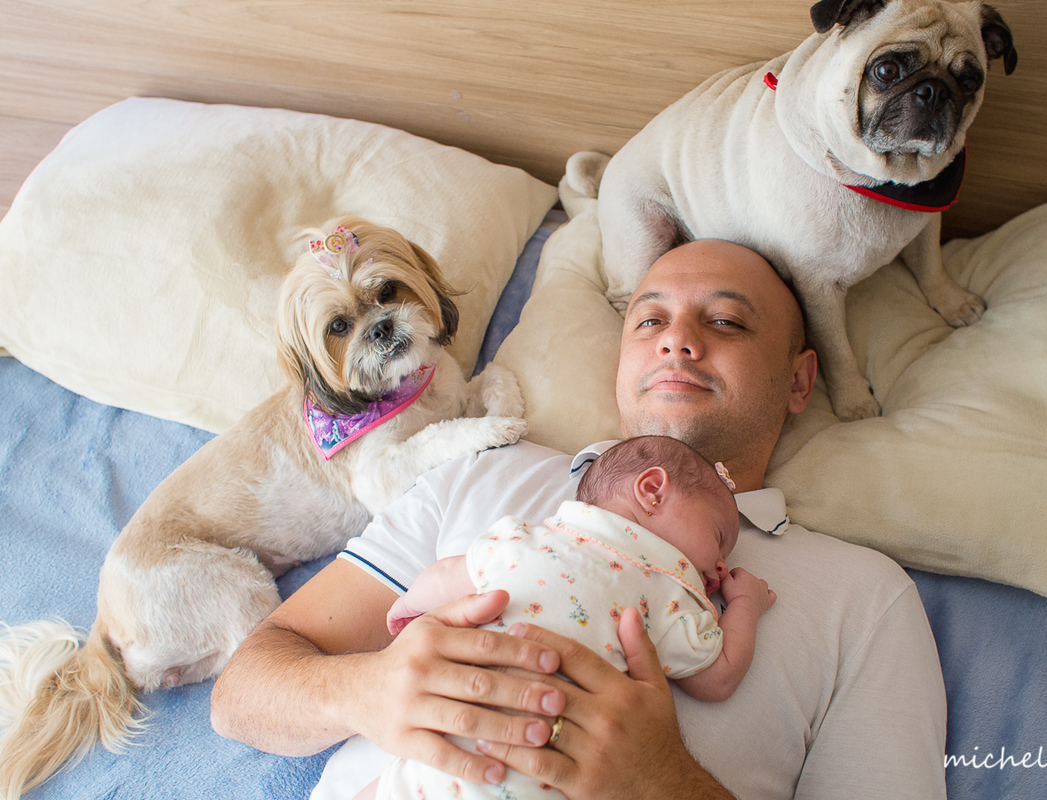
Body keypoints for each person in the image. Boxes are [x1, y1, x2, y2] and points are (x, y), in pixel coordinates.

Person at [211, 238, 948, 800]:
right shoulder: (482, 468)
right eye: (649, 319)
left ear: (800, 381)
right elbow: (241, 695)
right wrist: (368, 690)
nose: (676, 339)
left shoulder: (865, 597)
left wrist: (662, 784)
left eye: (726, 321)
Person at [356, 434, 777, 800]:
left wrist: (407, 611)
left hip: (442, 748)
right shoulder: (669, 594)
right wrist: (745, 604)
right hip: (531, 772)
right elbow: (719, 676)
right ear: (652, 491)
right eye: (719, 538)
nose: (721, 566)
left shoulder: (523, 538)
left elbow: (448, 575)